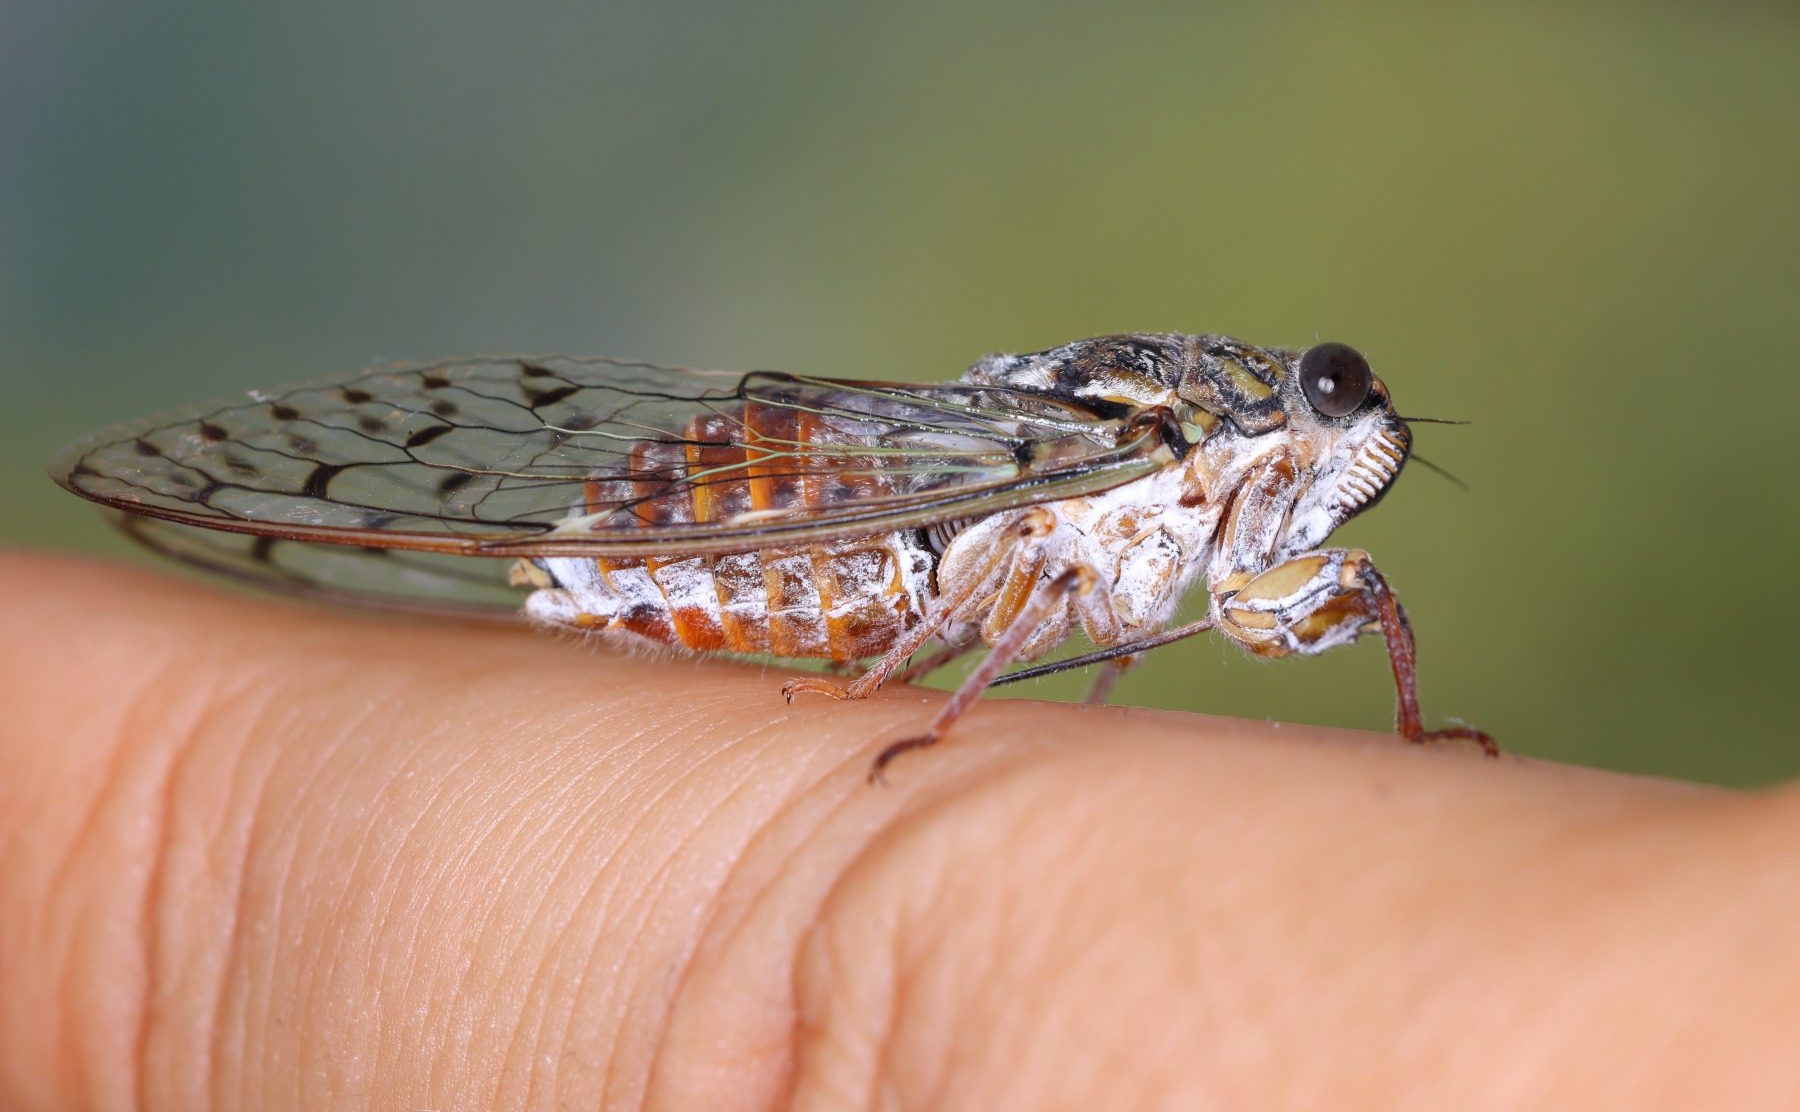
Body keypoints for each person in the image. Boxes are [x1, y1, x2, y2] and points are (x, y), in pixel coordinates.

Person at [1, 551, 1795, 1109]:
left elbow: (1163, 606)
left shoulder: (1266, 539)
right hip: (853, 532)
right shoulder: (1144, 474)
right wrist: (958, 723)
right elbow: (1079, 573)